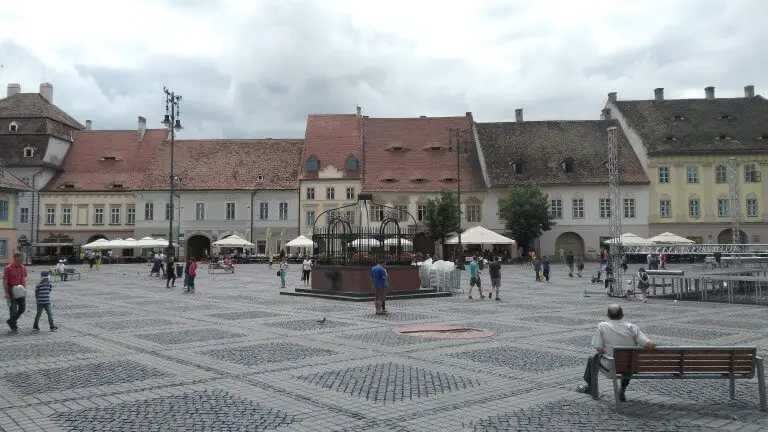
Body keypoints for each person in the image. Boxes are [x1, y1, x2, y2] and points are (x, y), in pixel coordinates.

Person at [577, 304, 657, 402]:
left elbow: (599, 349)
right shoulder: (631, 327)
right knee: (628, 362)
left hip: (611, 364)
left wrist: (606, 350)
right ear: (622, 315)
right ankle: (622, 391)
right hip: (631, 365)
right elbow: (649, 345)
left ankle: (590, 387)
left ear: (608, 315)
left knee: (592, 358)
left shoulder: (602, 326)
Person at [4, 252, 27, 333]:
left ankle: (11, 321)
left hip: (21, 289)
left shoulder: (23, 267)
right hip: (12, 289)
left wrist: (24, 290)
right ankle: (14, 326)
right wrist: (6, 292)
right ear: (16, 258)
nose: (22, 258)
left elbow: (24, 279)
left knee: (23, 308)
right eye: (21, 257)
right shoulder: (8, 268)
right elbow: (5, 281)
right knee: (13, 309)